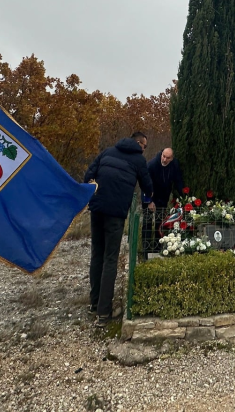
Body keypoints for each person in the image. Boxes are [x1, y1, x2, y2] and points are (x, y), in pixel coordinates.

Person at [83, 131, 154, 326]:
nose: (144, 149)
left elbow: (88, 175)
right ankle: (104, 313)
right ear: (139, 143)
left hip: (97, 208)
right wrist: (149, 197)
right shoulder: (138, 160)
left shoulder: (107, 152)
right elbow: (147, 185)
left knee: (97, 254)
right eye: (145, 146)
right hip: (115, 213)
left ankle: (94, 303)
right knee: (110, 259)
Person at [141, 147, 185, 255]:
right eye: (163, 156)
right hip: (150, 196)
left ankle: (157, 248)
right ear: (161, 154)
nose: (164, 159)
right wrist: (149, 201)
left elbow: (178, 181)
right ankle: (146, 250)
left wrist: (184, 196)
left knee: (159, 223)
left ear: (172, 158)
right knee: (147, 223)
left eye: (167, 158)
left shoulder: (174, 165)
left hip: (163, 197)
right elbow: (145, 184)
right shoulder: (152, 165)